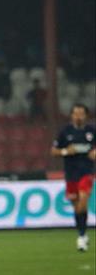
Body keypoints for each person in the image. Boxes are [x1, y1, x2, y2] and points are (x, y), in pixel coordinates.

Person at [51, 103, 96, 251]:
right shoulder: (65, 132)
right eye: (76, 113)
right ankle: (82, 233)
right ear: (71, 115)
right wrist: (65, 151)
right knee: (76, 207)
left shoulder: (92, 131)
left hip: (86, 172)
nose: (78, 117)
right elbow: (54, 151)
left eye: (81, 114)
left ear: (86, 116)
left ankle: (81, 237)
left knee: (83, 201)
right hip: (71, 174)